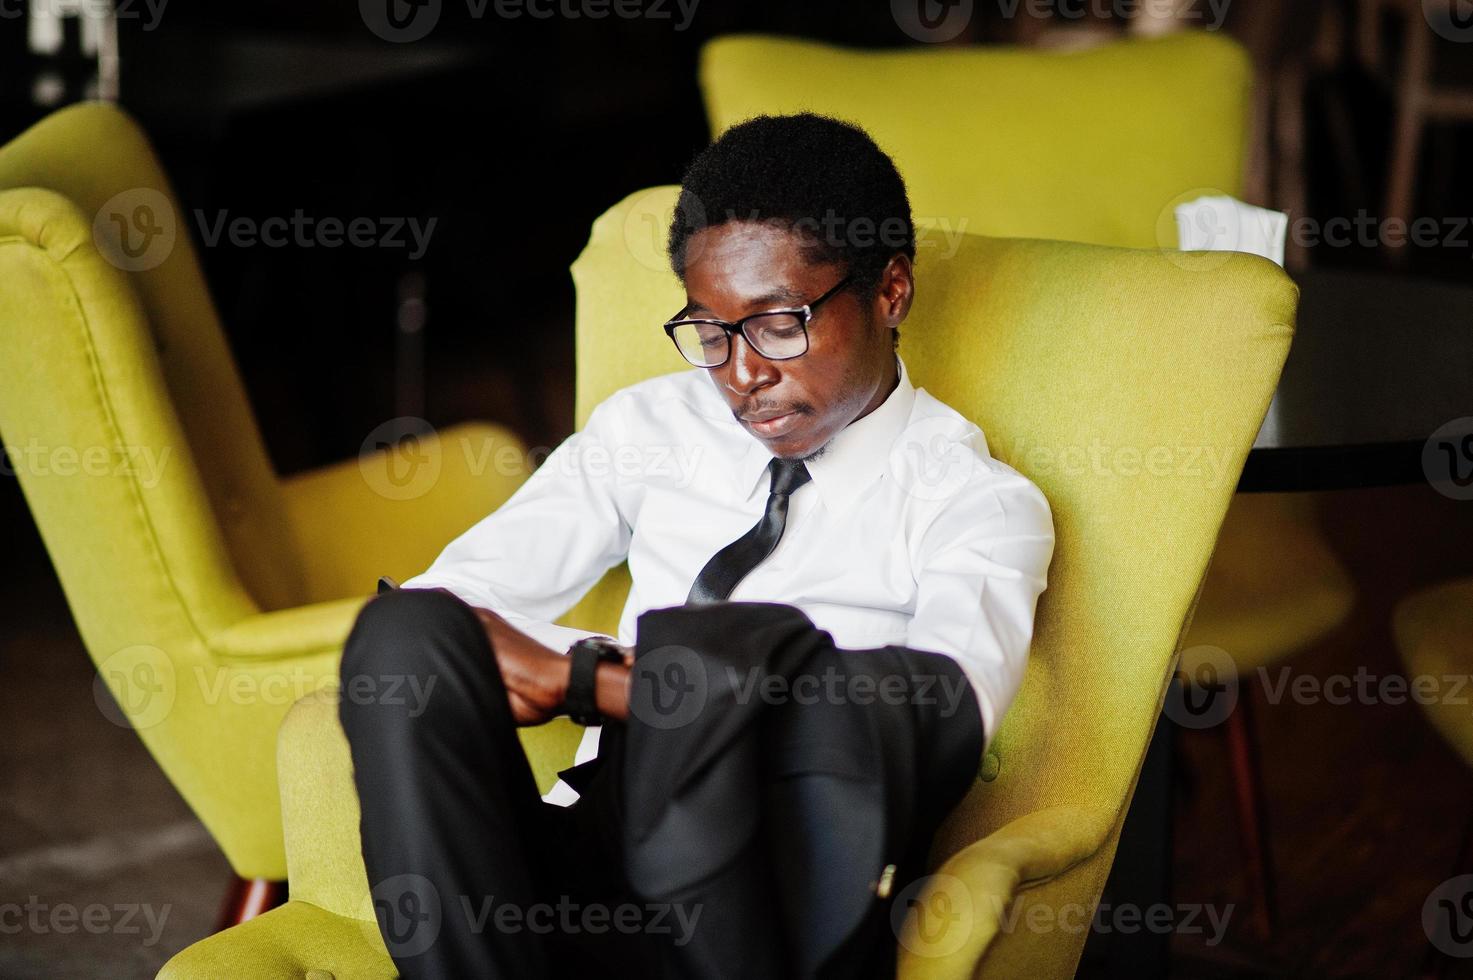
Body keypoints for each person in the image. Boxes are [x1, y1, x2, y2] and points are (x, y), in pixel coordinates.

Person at [339, 112, 1055, 979]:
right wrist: (600, 679)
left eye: (778, 324)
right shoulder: (652, 425)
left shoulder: (976, 503)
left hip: (771, 877)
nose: (740, 373)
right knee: (405, 635)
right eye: (710, 333)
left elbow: (933, 721)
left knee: (749, 645)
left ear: (890, 290)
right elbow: (449, 607)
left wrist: (600, 680)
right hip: (583, 847)